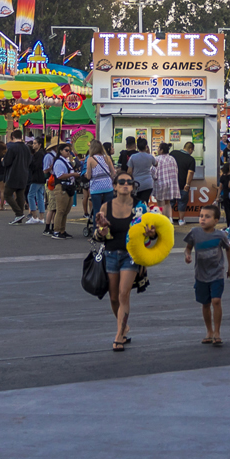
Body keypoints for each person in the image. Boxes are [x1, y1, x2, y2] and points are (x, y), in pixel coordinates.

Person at [96, 172, 139, 351]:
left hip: (131, 255)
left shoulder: (139, 206)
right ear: (114, 186)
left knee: (123, 294)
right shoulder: (106, 207)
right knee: (114, 297)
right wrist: (102, 230)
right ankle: (123, 325)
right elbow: (97, 235)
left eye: (129, 182)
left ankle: (119, 335)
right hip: (111, 253)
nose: (125, 184)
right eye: (121, 182)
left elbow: (150, 229)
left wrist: (151, 232)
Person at [185, 202, 230, 346]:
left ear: (216, 221)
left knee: (216, 301)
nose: (203, 219)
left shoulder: (220, 235)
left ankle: (217, 332)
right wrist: (187, 255)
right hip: (201, 275)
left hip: (217, 273)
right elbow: (188, 247)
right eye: (201, 216)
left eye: (207, 217)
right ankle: (209, 331)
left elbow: (228, 249)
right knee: (205, 304)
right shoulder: (194, 233)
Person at [84, 141, 115, 229]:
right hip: (108, 187)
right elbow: (113, 174)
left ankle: (96, 230)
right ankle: (108, 229)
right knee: (108, 210)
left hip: (96, 187)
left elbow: (89, 176)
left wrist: (86, 175)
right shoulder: (107, 158)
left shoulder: (90, 159)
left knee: (97, 210)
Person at [3, 134, 33, 226]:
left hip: (13, 174)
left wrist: (2, 161)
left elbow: (6, 162)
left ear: (12, 137)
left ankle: (19, 213)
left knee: (7, 194)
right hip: (24, 174)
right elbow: (30, 161)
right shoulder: (27, 148)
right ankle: (19, 218)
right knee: (20, 195)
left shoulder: (12, 148)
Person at [152, 143, 181, 220]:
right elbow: (176, 170)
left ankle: (163, 219)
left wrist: (154, 177)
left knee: (161, 203)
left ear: (161, 150)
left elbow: (153, 172)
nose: (157, 150)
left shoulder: (157, 159)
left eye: (158, 148)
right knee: (168, 203)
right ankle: (170, 219)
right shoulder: (172, 158)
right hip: (171, 183)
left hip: (160, 183)